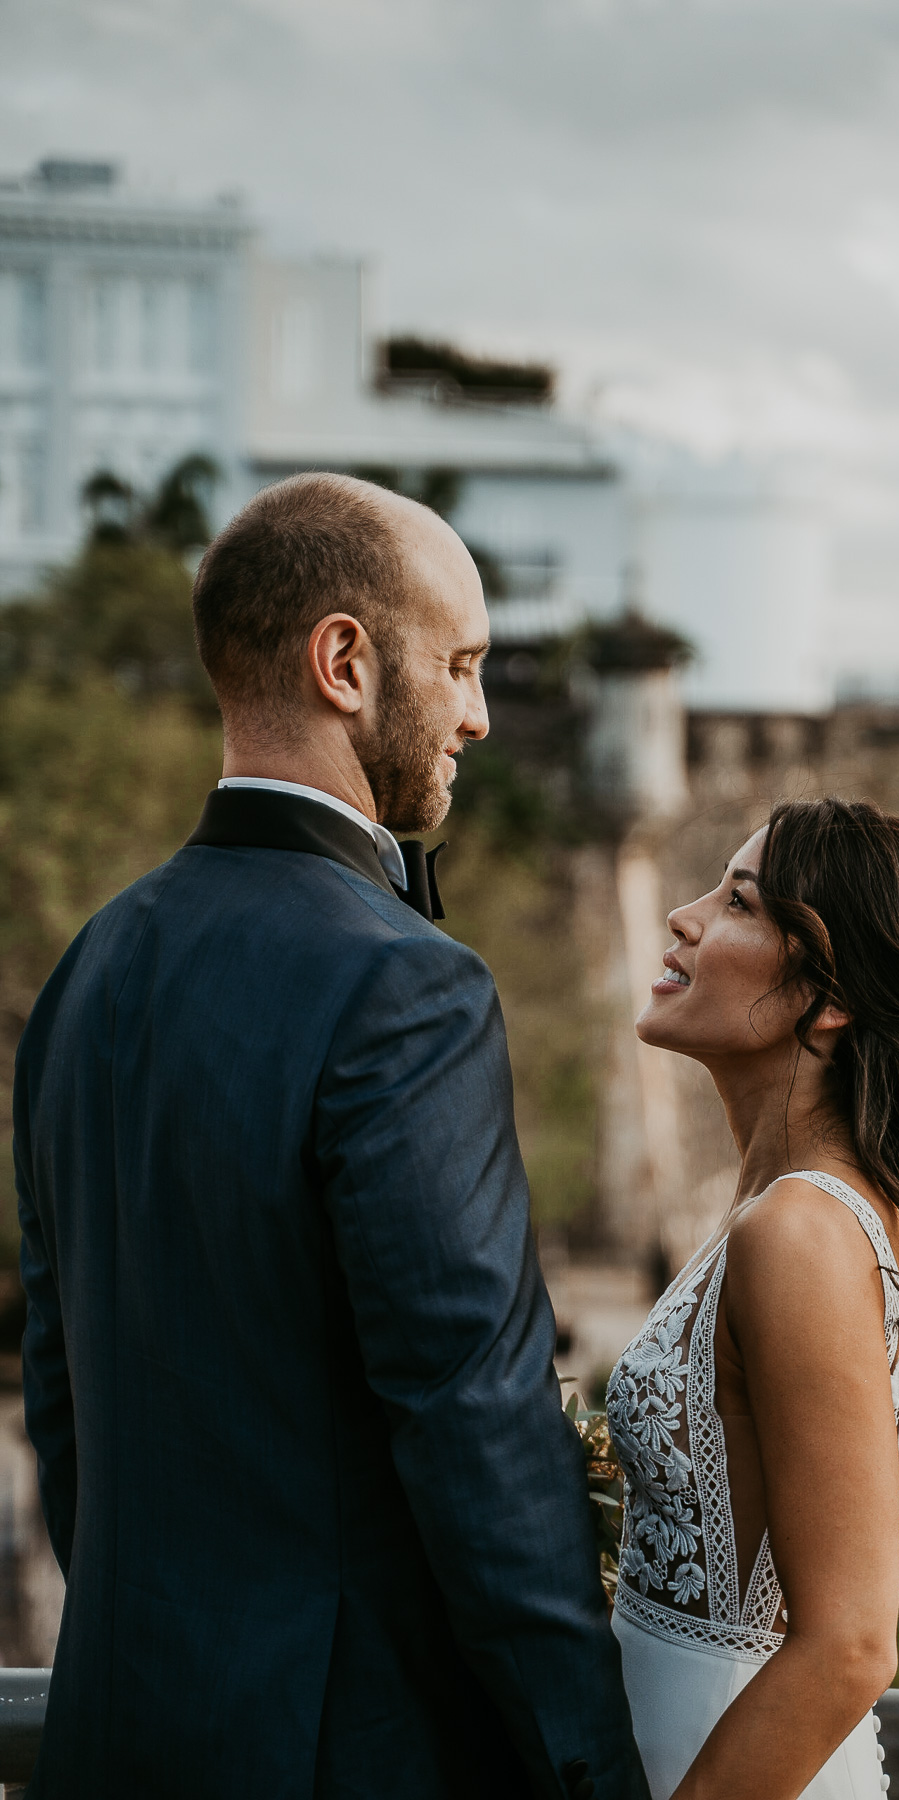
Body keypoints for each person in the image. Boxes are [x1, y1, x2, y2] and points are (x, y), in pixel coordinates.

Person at [14, 474, 648, 1800]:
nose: (479, 712)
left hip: (115, 1739)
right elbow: (475, 1421)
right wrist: (592, 1772)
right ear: (345, 663)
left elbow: (66, 1403)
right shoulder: (408, 987)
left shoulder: (90, 968)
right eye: (462, 665)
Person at [606, 799, 899, 1800]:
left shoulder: (797, 1231)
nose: (684, 915)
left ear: (829, 998)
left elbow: (852, 1645)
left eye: (739, 903)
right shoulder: (848, 1215)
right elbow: (885, 1554)